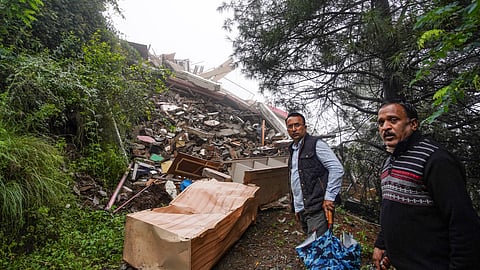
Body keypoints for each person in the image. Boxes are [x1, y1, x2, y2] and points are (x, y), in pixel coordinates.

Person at [373, 100, 480, 270]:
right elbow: (391, 209)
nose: (385, 127)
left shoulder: (436, 160)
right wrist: (381, 243)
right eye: (381, 122)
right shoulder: (389, 162)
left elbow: (463, 222)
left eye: (393, 120)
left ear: (413, 124)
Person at [285, 112, 344, 237]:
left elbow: (336, 168)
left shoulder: (316, 144)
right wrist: (296, 207)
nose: (294, 129)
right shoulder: (293, 149)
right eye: (290, 126)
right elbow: (295, 179)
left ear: (305, 127)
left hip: (318, 208)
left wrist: (329, 197)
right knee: (313, 247)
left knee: (317, 248)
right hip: (303, 209)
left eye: (297, 125)